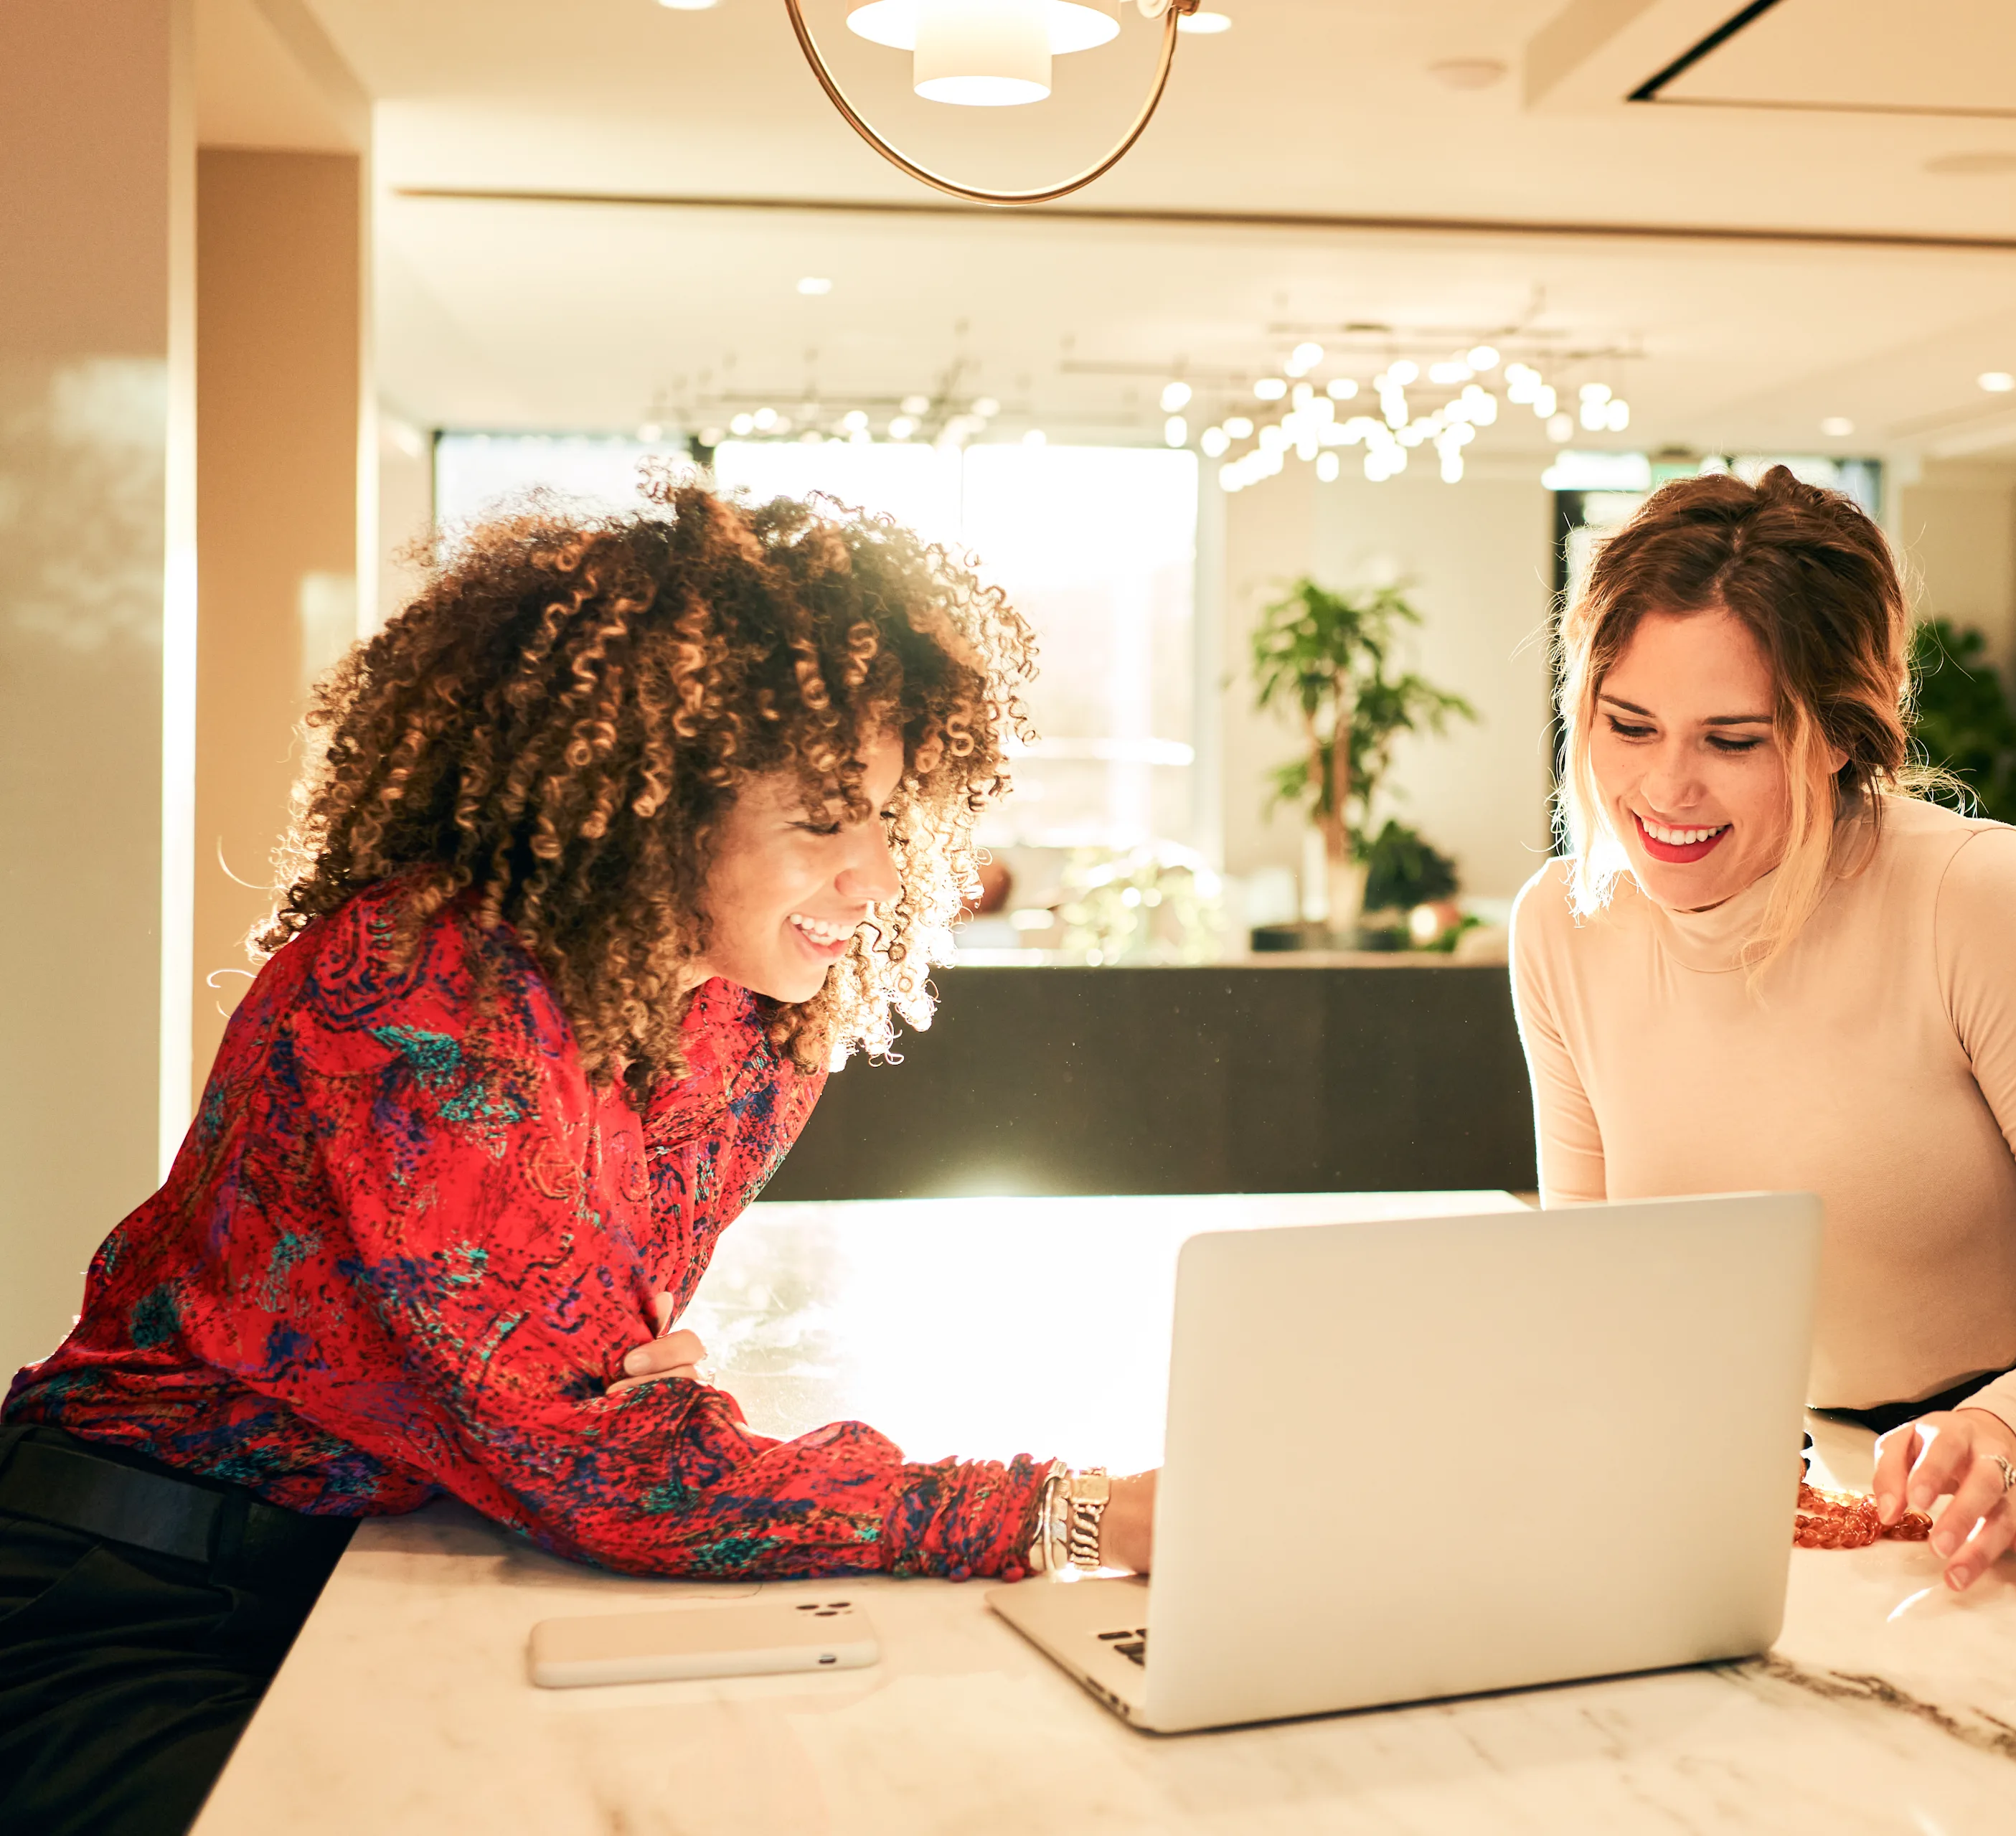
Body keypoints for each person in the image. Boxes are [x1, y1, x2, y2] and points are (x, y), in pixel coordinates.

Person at [0, 482, 1154, 1836]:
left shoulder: (747, 1022)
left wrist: (604, 1399)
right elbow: (606, 1469)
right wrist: (1073, 1515)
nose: (879, 879)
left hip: (387, 1570)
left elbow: (604, 1389)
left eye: (893, 821)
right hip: (124, 1608)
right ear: (654, 806)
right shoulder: (420, 990)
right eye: (824, 821)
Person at [1509, 467, 2016, 1700]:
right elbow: (1602, 1282)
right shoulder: (1564, 927)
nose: (1666, 791)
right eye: (1629, 726)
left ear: (1841, 732)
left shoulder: (1976, 898)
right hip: (1833, 1519)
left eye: (1733, 740)